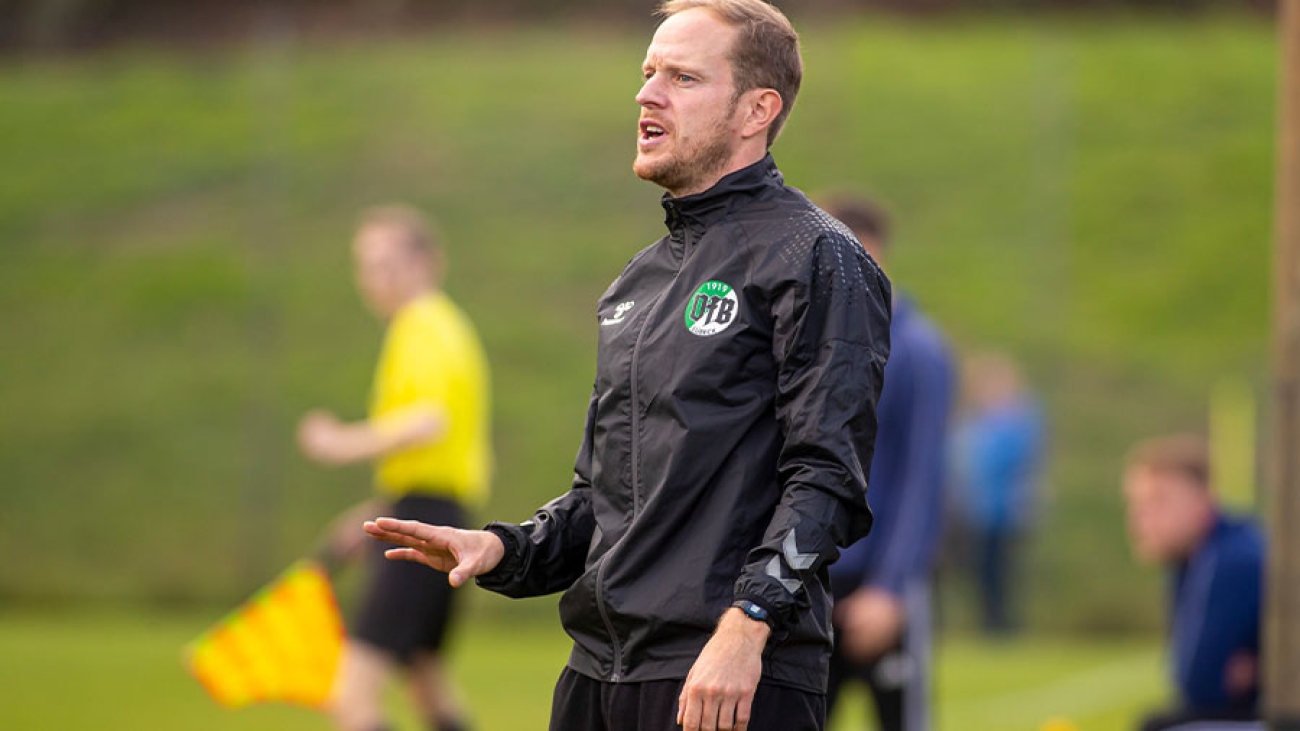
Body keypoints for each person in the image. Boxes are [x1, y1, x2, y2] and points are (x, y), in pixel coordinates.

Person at [362, 2, 893, 730]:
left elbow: (828, 478)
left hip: (726, 679)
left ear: (755, 110)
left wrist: (746, 627)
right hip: (595, 676)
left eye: (682, 76)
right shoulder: (637, 284)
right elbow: (605, 497)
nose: (647, 93)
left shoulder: (815, 255)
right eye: (647, 73)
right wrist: (503, 547)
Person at [297, 205, 491, 731]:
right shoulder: (442, 325)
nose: (375, 278)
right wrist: (380, 512)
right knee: (427, 681)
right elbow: (435, 454)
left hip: (424, 515)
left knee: (354, 698)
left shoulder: (423, 323)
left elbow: (428, 422)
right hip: (433, 513)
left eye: (388, 263)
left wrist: (339, 441)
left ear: (428, 262)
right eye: (366, 265)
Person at [819, 196, 954, 731]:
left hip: (881, 585)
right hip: (808, 584)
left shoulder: (919, 351)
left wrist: (892, 588)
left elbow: (926, 475)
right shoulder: (806, 342)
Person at [1122, 434, 1265, 731]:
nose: (1141, 517)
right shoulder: (1194, 557)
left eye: (1159, 500)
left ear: (1202, 500)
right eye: (1136, 504)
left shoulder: (1230, 560)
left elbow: (1197, 684)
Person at [948, 350, 1044, 636]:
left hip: (1003, 512)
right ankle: (989, 625)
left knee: (999, 573)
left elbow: (1002, 464)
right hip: (974, 512)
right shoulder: (975, 422)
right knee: (980, 573)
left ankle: (999, 627)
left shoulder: (1018, 420)